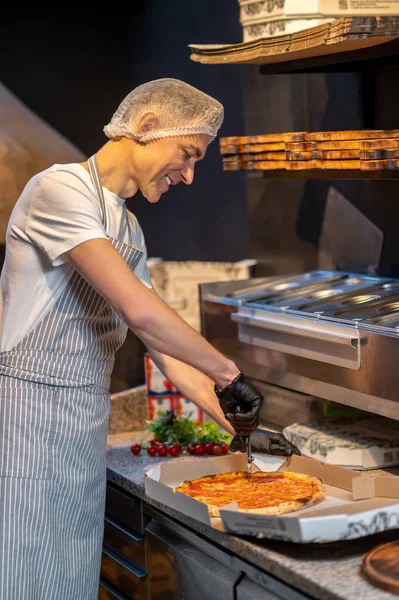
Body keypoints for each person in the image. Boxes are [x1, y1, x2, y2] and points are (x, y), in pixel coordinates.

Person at [0, 78, 298, 600]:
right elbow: (142, 309)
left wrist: (242, 423)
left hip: (80, 428)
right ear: (147, 126)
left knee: (66, 581)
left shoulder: (129, 229)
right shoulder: (59, 189)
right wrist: (230, 372)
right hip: (26, 422)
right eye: (187, 154)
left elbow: (161, 345)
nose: (187, 176)